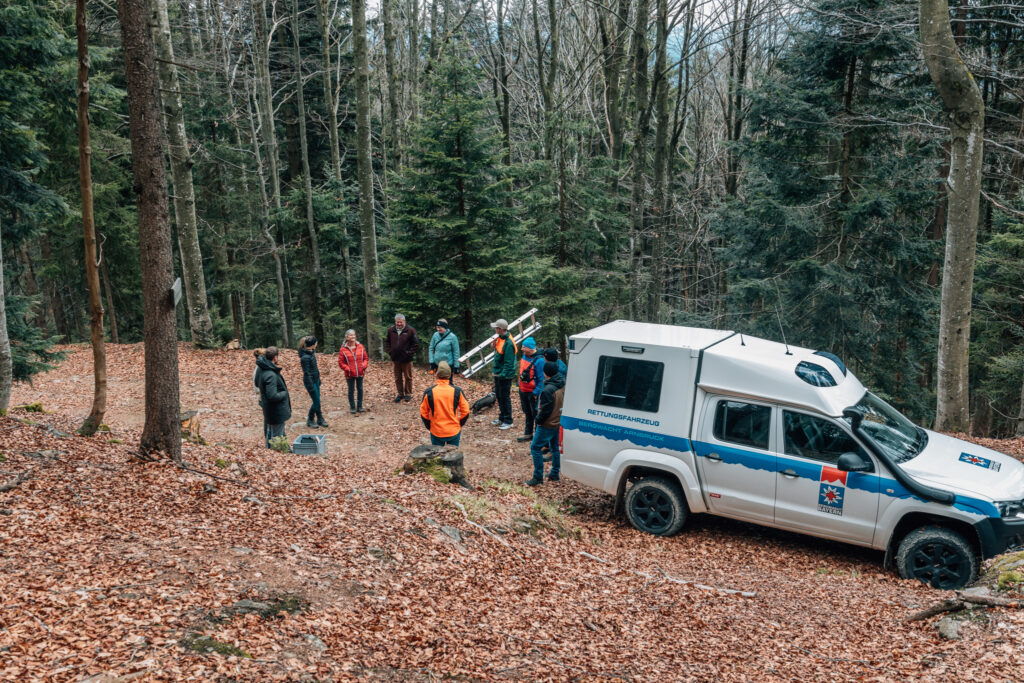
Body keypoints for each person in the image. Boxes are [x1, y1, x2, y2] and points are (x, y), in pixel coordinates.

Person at [526, 361, 565, 485]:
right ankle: (554, 473)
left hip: (547, 424)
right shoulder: (562, 383)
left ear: (546, 373)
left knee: (535, 448)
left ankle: (538, 477)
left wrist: (537, 420)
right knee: (554, 449)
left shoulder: (548, 390)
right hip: (558, 421)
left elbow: (546, 410)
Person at [419, 361, 470, 447]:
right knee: (453, 456)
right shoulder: (457, 391)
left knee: (437, 457)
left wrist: (430, 426)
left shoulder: (429, 392)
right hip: (453, 431)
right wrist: (459, 424)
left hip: (436, 431)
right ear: (450, 375)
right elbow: (466, 411)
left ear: (437, 375)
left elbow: (423, 413)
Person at [255, 346, 291, 448]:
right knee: (276, 435)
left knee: (270, 432)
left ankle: (270, 452)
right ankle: (276, 454)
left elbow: (257, 383)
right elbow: (272, 395)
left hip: (269, 408)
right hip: (275, 410)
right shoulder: (270, 374)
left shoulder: (261, 368)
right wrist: (284, 393)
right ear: (275, 358)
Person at [384, 313, 419, 402]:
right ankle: (400, 393)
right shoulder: (391, 330)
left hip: (407, 359)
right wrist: (390, 352)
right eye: (397, 322)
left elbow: (415, 344)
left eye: (401, 322)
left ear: (404, 321)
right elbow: (387, 341)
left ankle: (408, 393)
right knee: (397, 377)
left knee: (408, 377)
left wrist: (409, 353)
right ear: (395, 322)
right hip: (395, 358)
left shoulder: (410, 330)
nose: (399, 324)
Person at [490, 318, 518, 430]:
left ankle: (508, 420)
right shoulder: (500, 338)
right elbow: (499, 351)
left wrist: (502, 375)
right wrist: (493, 345)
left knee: (505, 397)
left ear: (500, 329)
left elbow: (509, 363)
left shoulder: (509, 343)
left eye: (496, 328)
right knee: (499, 396)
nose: (494, 329)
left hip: (504, 375)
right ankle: (502, 417)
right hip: (498, 373)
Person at [516, 337, 543, 443]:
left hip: (532, 392)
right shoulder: (524, 356)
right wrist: (519, 383)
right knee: (527, 412)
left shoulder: (539, 361)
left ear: (530, 348)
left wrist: (536, 392)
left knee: (535, 414)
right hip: (522, 390)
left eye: (524, 347)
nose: (522, 349)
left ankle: (537, 435)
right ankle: (528, 433)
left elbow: (541, 379)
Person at [337, 329, 369, 414]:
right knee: (351, 390)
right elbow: (341, 363)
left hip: (360, 372)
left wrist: (364, 365)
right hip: (349, 374)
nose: (353, 336)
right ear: (347, 337)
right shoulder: (343, 349)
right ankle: (352, 407)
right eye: (351, 335)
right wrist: (348, 369)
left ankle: (360, 406)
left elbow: (365, 358)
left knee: (360, 389)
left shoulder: (360, 346)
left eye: (354, 335)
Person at [298, 336, 328, 429]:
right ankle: (310, 419)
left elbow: (315, 369)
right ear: (313, 345)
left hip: (315, 380)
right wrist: (311, 386)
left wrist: (318, 380)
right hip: (310, 382)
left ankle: (319, 418)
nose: (317, 344)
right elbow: (307, 373)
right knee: (316, 401)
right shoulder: (305, 357)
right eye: (316, 342)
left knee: (317, 400)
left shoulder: (311, 353)